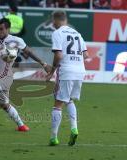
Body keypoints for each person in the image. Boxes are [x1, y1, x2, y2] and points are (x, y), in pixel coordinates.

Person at [46, 11, 88, 146]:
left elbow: (58, 56)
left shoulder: (57, 33)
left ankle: (53, 137)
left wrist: (52, 71)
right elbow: (86, 55)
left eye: (53, 20)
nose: (52, 23)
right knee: (69, 100)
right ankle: (74, 128)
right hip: (80, 71)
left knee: (58, 103)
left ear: (57, 20)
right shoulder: (78, 34)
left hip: (66, 71)